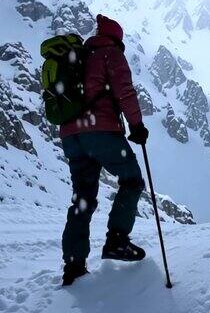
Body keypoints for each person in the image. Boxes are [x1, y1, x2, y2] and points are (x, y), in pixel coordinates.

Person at [59, 14, 150, 286]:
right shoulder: (110, 53)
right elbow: (125, 92)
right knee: (132, 179)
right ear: (117, 38)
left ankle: (74, 266)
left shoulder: (82, 56)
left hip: (71, 135)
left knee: (83, 197)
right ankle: (117, 240)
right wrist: (137, 126)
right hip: (99, 131)